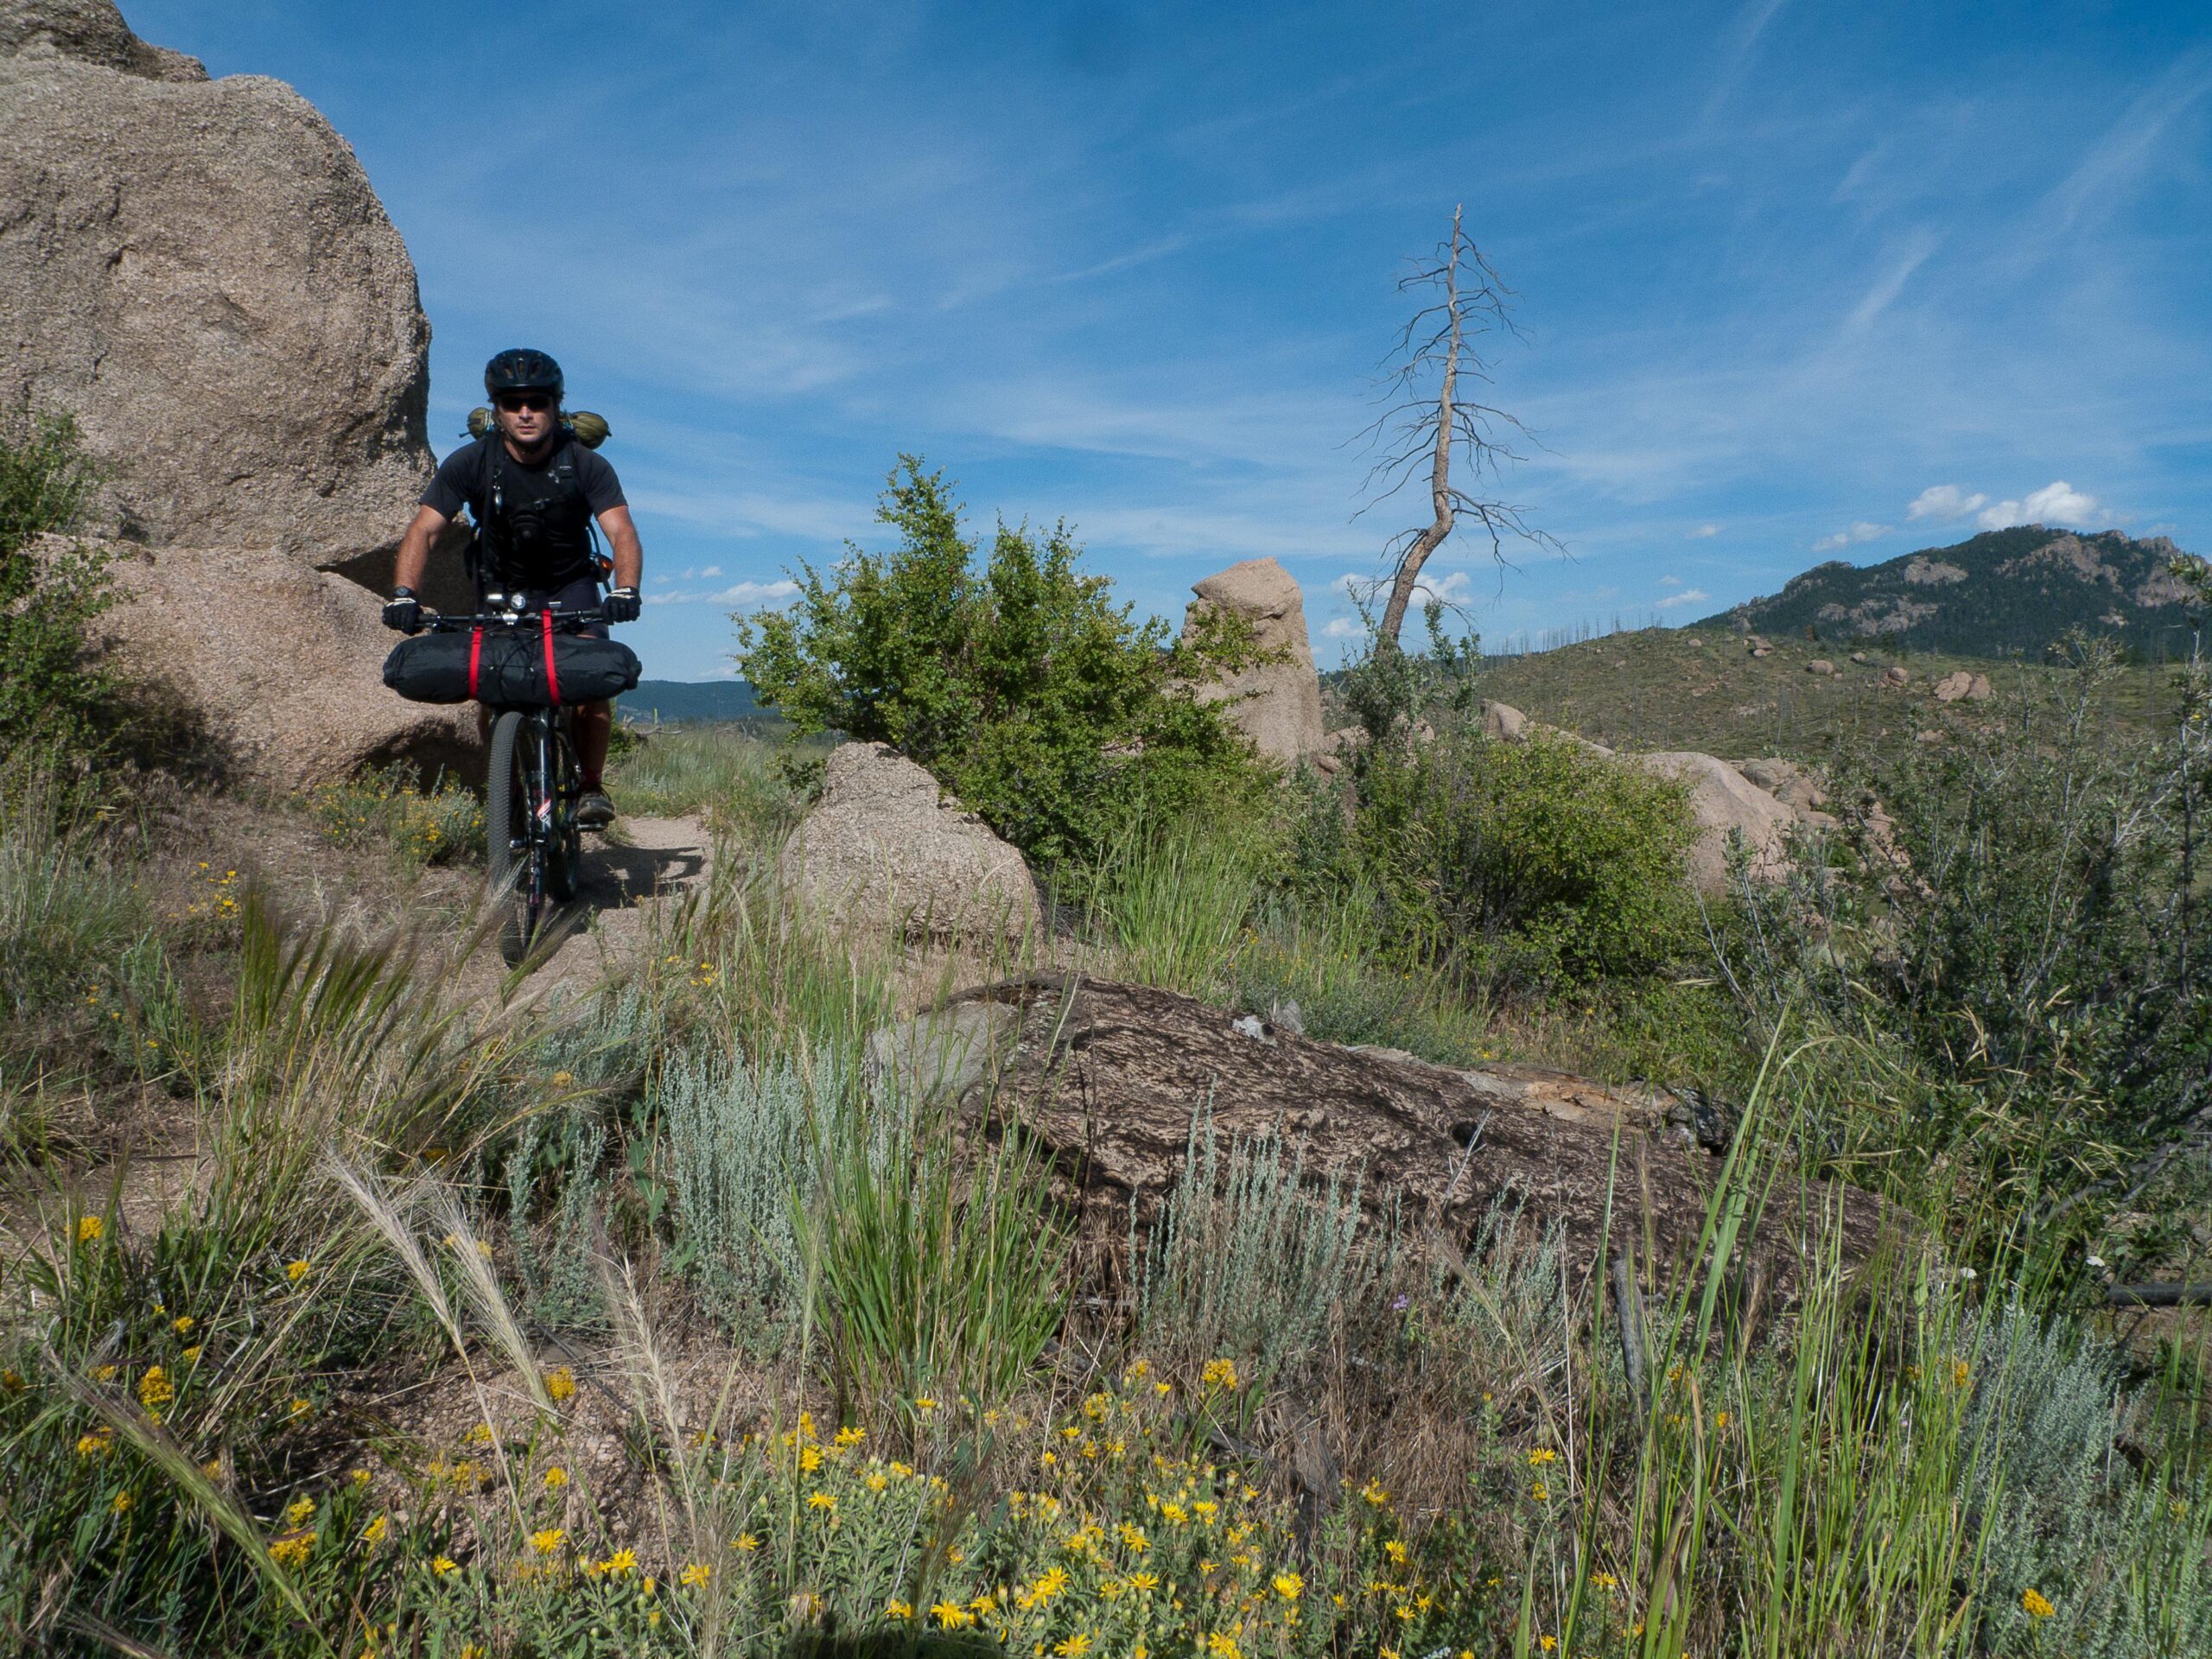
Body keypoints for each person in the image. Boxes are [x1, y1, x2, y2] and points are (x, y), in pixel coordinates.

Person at [384, 348, 641, 829]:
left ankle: (590, 785)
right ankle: (509, 793)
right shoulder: (471, 462)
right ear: (496, 409)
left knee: (589, 683)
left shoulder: (584, 465)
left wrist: (625, 590)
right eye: (512, 402)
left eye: (537, 402)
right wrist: (404, 593)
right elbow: (424, 529)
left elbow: (621, 531)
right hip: (499, 585)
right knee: (493, 690)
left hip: (572, 584)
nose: (526, 412)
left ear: (555, 407)